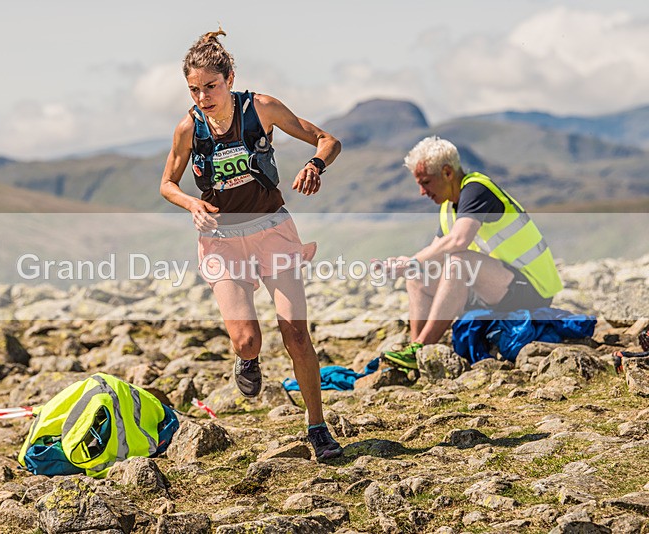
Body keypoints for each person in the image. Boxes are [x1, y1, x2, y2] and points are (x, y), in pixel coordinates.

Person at [159, 29, 343, 461]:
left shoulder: (261, 108)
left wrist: (315, 165)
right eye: (194, 89)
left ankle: (317, 427)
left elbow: (328, 140)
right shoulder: (188, 128)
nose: (203, 97)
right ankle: (247, 359)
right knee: (246, 341)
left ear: (230, 79)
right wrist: (192, 204)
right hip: (221, 241)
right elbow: (167, 184)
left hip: (272, 231)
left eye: (211, 86)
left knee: (295, 333)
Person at [377, 136, 563, 370]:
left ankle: (421, 347)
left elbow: (459, 240)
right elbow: (434, 252)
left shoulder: (477, 190)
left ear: (447, 172)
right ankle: (415, 355)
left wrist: (412, 261)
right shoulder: (449, 206)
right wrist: (407, 264)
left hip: (532, 289)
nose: (422, 192)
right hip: (494, 286)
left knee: (459, 262)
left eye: (426, 182)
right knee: (417, 274)